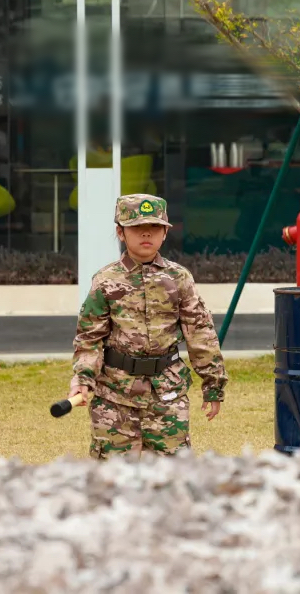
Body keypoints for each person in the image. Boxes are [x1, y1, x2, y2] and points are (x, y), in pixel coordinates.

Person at [68, 194, 227, 459]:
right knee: (112, 476)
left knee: (172, 475)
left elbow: (200, 333)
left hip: (167, 395)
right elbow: (89, 338)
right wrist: (83, 378)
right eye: (137, 227)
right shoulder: (105, 280)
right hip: (115, 396)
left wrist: (213, 384)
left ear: (165, 233)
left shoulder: (179, 278)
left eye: (154, 227)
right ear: (120, 232)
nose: (146, 233)